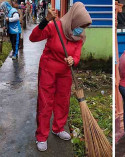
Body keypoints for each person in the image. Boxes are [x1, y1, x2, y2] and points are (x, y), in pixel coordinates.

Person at [29, 2, 92, 151]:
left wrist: (73, 60)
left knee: (63, 101)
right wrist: (46, 20)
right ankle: (41, 136)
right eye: (80, 25)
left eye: (83, 27)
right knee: (45, 102)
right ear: (73, 20)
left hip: (65, 72)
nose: (81, 30)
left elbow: (76, 56)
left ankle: (58, 128)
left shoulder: (79, 37)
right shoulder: (54, 26)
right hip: (48, 69)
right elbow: (33, 37)